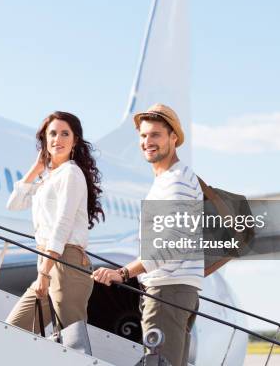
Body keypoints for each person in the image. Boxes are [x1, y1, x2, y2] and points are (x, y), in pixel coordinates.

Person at [92, 103, 203, 366]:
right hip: (174, 291)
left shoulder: (175, 181)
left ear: (173, 138)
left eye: (155, 135)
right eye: (143, 136)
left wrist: (123, 273)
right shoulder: (171, 179)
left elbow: (171, 244)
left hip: (166, 292)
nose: (147, 142)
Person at [5, 111, 104, 335]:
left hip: (66, 263)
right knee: (13, 329)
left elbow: (63, 224)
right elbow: (14, 204)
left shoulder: (71, 173)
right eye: (52, 134)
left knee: (71, 345)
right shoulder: (49, 177)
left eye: (64, 134)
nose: (57, 139)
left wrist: (45, 273)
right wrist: (36, 168)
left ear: (75, 140)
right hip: (49, 261)